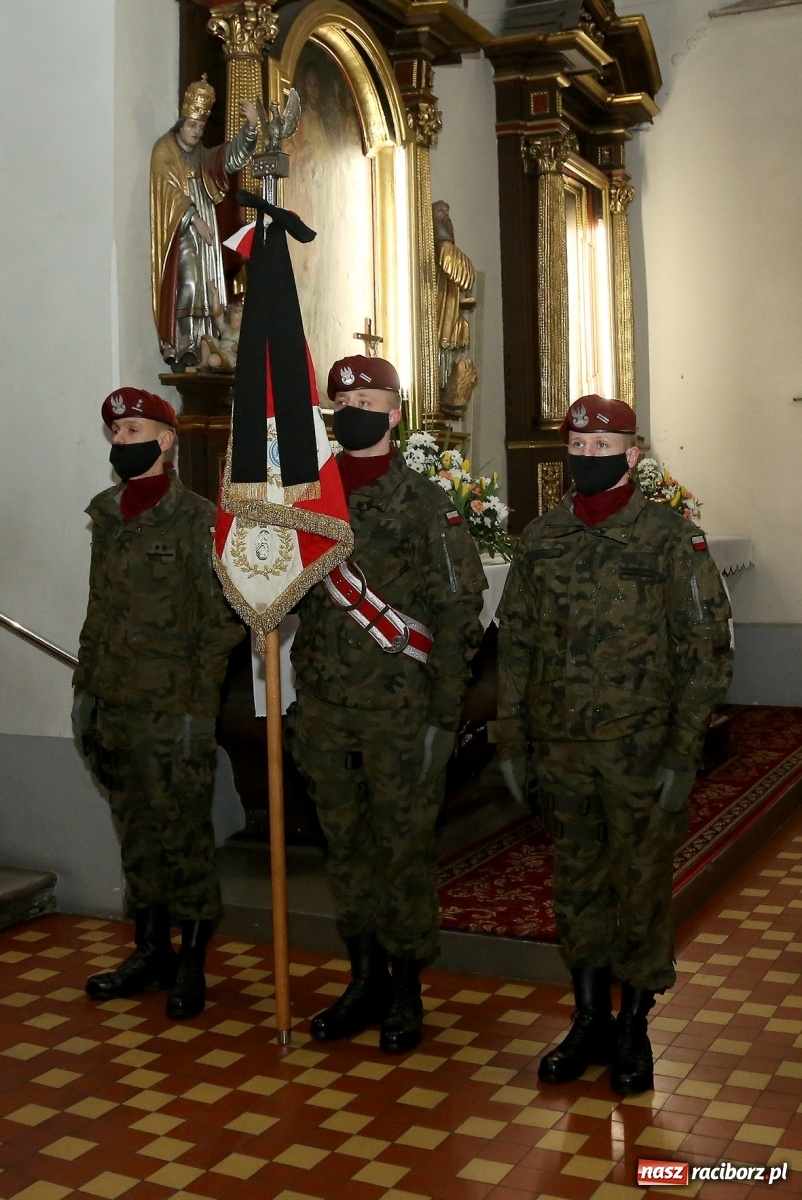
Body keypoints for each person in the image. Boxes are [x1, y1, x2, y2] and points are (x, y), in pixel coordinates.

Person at [492, 395, 732, 1094]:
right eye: (578, 447)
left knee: (640, 890)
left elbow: (704, 650)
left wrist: (684, 752)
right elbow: (518, 645)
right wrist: (510, 738)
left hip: (640, 752)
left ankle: (634, 1027)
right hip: (561, 750)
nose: (588, 458)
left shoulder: (668, 538)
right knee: (577, 888)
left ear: (633, 455)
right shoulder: (542, 538)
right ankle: (589, 1018)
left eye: (604, 448)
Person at [287, 355, 486, 1053]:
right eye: (343, 400)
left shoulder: (427, 504)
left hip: (401, 711)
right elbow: (277, 590)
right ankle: (364, 978)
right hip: (323, 709)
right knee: (346, 851)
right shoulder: (306, 501)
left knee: (402, 853)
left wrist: (443, 715)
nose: (355, 409)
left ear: (395, 412)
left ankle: (404, 988)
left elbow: (461, 613)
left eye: (370, 398)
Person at [72, 387, 245, 1019]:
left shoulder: (196, 519)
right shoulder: (107, 515)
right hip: (115, 704)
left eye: (136, 430)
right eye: (116, 433)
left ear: (166, 439)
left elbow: (221, 622)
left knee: (184, 838)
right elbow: (99, 612)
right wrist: (84, 691)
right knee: (136, 836)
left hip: (174, 710)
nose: (124, 442)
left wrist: (199, 712)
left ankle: (193, 963)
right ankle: (150, 950)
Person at [150, 75, 258, 368]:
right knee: (187, 281)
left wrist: (250, 130)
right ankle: (183, 341)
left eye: (200, 126)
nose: (196, 132)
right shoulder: (164, 150)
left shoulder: (202, 156)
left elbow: (229, 159)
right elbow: (167, 191)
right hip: (181, 229)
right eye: (191, 125)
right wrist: (194, 219)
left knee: (207, 282)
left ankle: (205, 341)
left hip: (205, 228)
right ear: (181, 123)